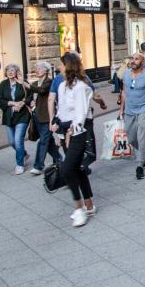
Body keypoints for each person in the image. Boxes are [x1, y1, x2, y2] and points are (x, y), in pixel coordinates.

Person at [53, 53, 95, 227]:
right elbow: (61, 110)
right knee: (76, 169)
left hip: (78, 132)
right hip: (64, 131)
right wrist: (57, 128)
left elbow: (81, 113)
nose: (58, 68)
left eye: (61, 65)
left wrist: (71, 132)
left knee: (67, 169)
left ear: (68, 66)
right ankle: (89, 204)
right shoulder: (62, 86)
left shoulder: (81, 87)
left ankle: (79, 208)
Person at [119, 53, 145, 180]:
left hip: (143, 109)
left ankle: (140, 165)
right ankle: (144, 153)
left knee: (141, 137)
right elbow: (124, 92)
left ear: (142, 62)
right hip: (129, 110)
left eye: (136, 59)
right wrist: (121, 110)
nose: (133, 61)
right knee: (131, 139)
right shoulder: (126, 74)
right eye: (132, 59)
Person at [23, 62, 62, 175]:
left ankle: (38, 166)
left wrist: (28, 86)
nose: (37, 70)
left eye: (39, 68)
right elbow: (29, 97)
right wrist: (29, 101)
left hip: (46, 117)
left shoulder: (49, 82)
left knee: (43, 141)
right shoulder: (35, 83)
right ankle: (59, 159)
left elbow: (42, 90)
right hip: (36, 116)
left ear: (46, 70)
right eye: (36, 68)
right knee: (48, 141)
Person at [0, 64, 32, 175]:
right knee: (12, 142)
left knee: (18, 140)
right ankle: (24, 154)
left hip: (22, 115)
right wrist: (11, 103)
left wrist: (21, 103)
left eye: (13, 70)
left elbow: (30, 96)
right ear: (6, 73)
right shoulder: (3, 84)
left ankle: (20, 164)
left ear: (17, 72)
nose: (10, 72)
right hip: (9, 116)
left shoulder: (22, 82)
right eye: (8, 71)